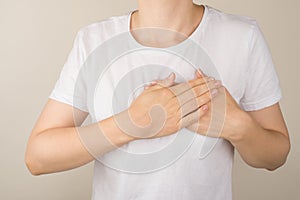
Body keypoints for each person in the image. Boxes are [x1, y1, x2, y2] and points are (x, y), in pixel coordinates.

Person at [25, 1, 290, 199]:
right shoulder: (93, 41)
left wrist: (238, 127)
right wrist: (129, 125)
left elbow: (276, 155)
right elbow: (37, 158)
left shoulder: (242, 37)